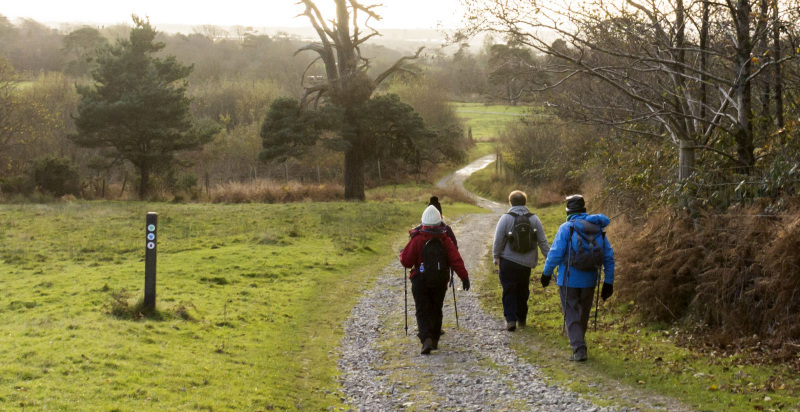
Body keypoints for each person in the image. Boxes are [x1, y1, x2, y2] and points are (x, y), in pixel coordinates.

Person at [541, 194, 615, 362]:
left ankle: (579, 348)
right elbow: (609, 257)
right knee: (583, 313)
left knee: (571, 312)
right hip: (590, 280)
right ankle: (579, 343)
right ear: (584, 210)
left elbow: (555, 254)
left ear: (568, 211)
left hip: (568, 280)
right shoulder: (597, 229)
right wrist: (608, 282)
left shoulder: (566, 228)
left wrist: (546, 273)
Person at [401, 205, 470, 355]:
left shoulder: (418, 239)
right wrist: (464, 277)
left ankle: (426, 339)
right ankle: (435, 339)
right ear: (440, 222)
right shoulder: (445, 240)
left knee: (422, 310)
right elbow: (456, 259)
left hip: (420, 280)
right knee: (436, 309)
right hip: (440, 281)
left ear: (423, 221)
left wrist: (402, 254)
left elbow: (406, 262)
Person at [492, 190, 550, 331]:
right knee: (523, 289)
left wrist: (496, 256)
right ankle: (522, 318)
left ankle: (511, 320)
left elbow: (498, 240)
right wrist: (550, 259)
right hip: (526, 263)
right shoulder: (534, 219)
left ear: (510, 202)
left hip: (508, 261)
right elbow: (542, 241)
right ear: (525, 202)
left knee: (509, 289)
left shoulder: (505, 218)